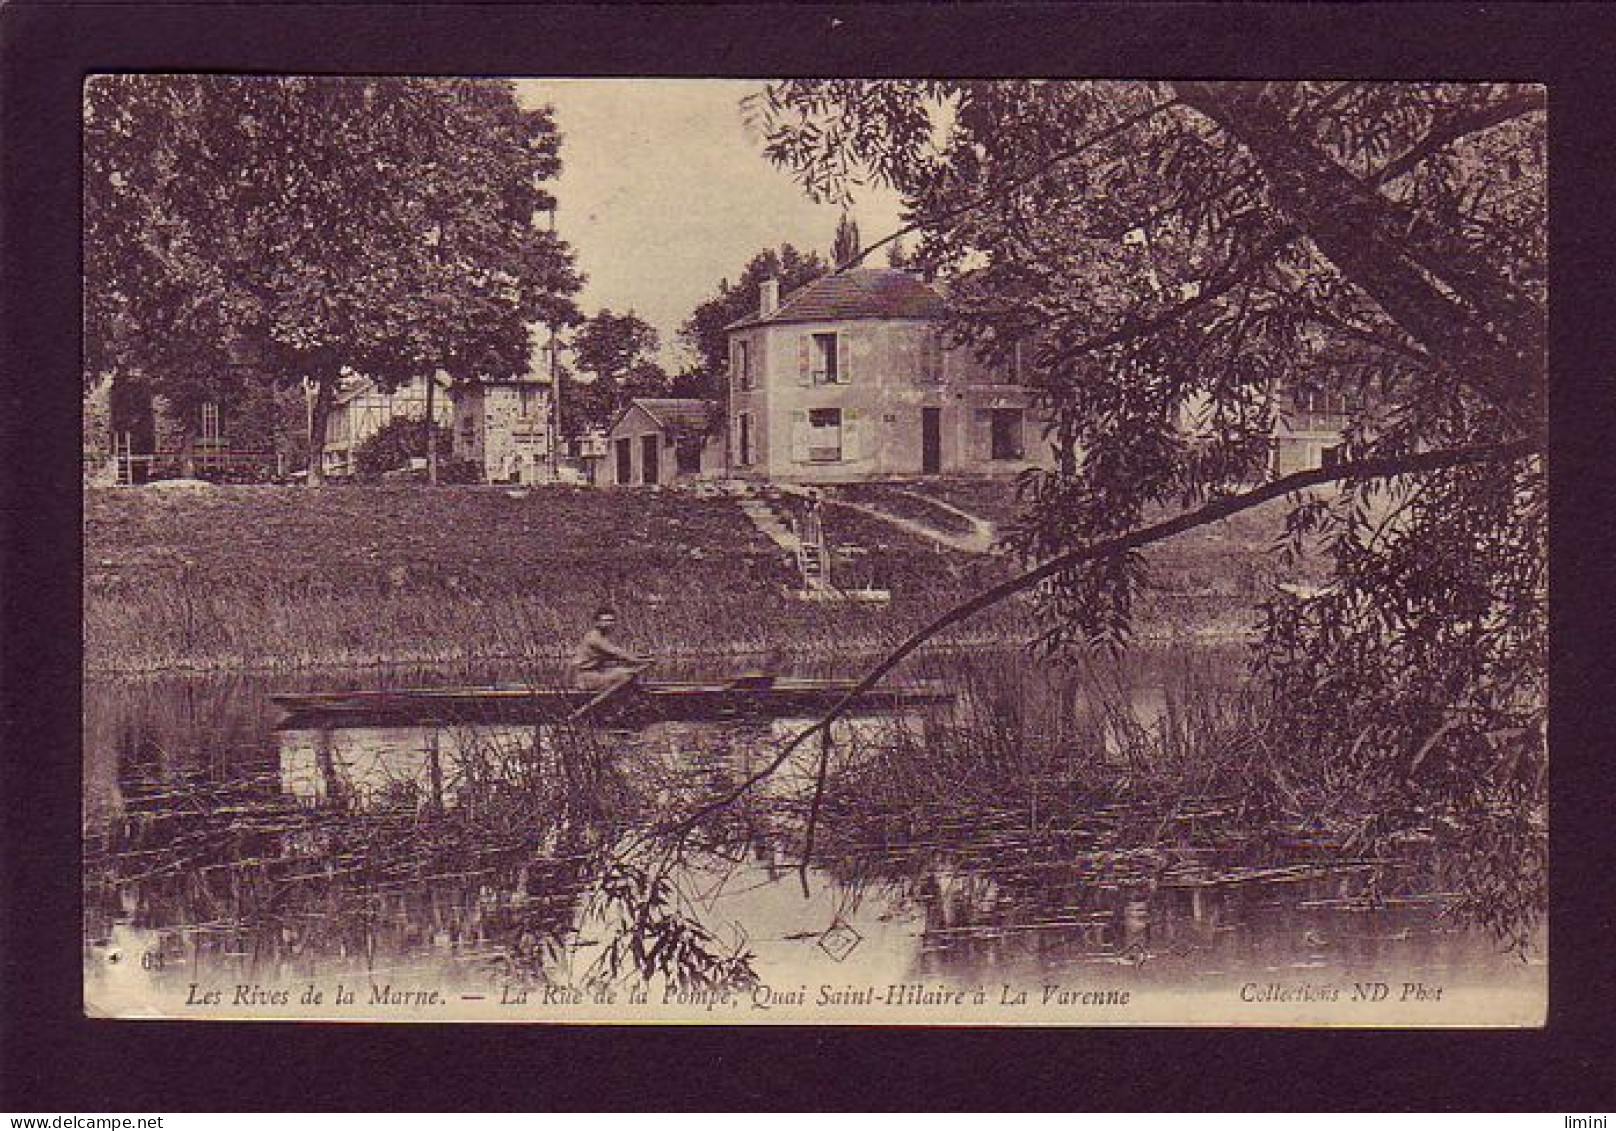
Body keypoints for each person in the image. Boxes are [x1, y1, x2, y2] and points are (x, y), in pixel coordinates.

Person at [571, 604, 652, 696]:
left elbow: (622, 653)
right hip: (587, 678)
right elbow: (619, 654)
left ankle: (631, 697)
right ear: (597, 623)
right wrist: (644, 661)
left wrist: (645, 657)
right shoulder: (594, 638)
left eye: (612, 621)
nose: (610, 624)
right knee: (627, 675)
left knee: (626, 673)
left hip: (596, 674)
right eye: (606, 621)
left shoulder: (601, 637)